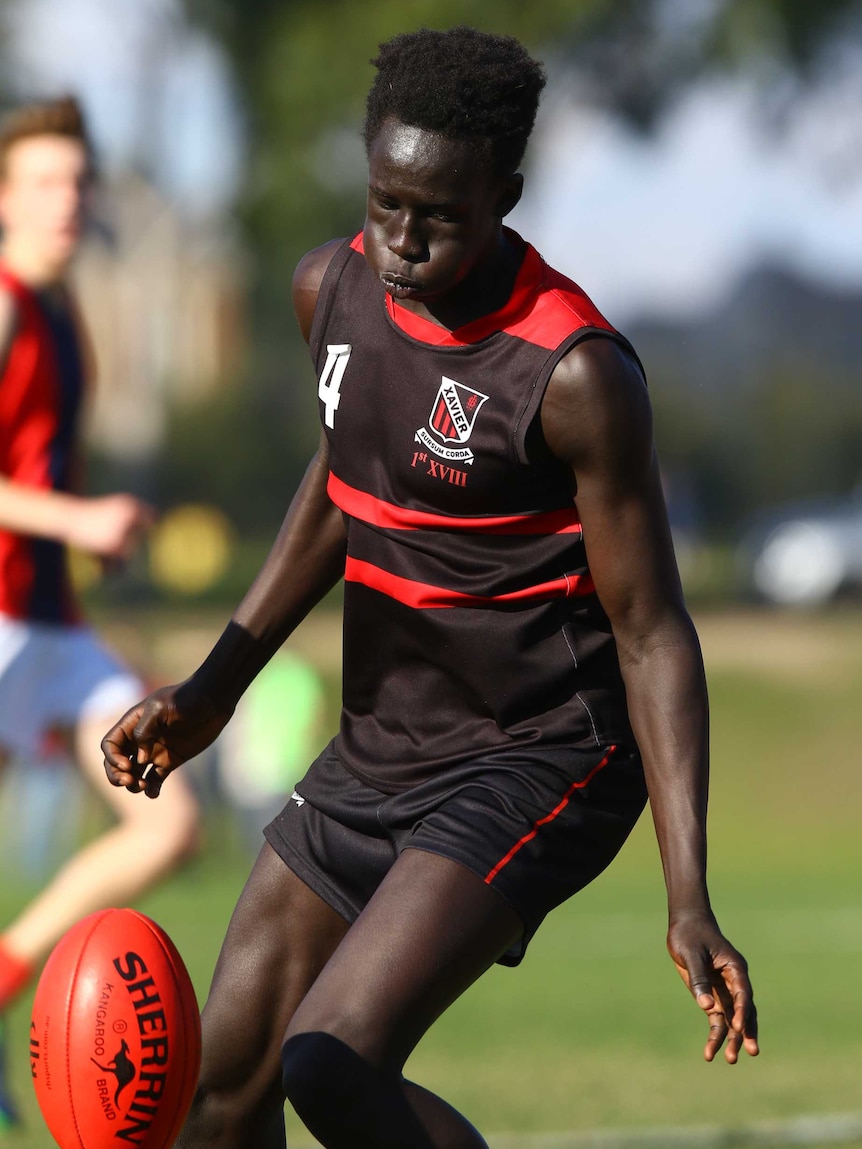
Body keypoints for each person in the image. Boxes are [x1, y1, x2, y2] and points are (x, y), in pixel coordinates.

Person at [102, 27, 758, 1149]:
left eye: (440, 215)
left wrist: (687, 893)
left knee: (333, 1064)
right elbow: (338, 489)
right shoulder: (332, 291)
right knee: (223, 1085)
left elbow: (651, 632)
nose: (403, 239)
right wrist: (213, 688)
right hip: (381, 742)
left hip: (538, 751)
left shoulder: (575, 375)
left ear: (504, 194)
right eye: (384, 202)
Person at [0, 96, 199, 1129]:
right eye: (42, 181)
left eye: (77, 181)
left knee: (168, 817)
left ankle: (3, 975)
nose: (64, 200)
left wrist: (87, 544)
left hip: (52, 627)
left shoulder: (64, 312)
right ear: (3, 198)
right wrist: (77, 516)